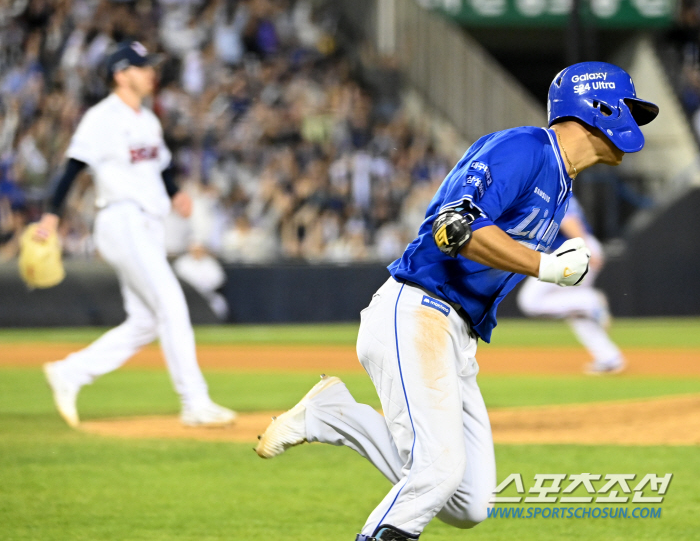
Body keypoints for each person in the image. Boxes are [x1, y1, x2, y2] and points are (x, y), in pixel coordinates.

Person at [254, 62, 658, 540]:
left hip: (456, 333)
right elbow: (455, 227)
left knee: (469, 502)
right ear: (599, 106)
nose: (634, 121)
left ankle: (330, 414)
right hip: (417, 311)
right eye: (629, 109)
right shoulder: (528, 147)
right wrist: (545, 266)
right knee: (438, 470)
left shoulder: (562, 184)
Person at [38, 41, 236, 428]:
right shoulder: (101, 117)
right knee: (172, 303)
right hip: (120, 218)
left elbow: (160, 167)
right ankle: (194, 402)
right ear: (120, 73)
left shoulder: (147, 119)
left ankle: (70, 372)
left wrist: (176, 193)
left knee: (145, 320)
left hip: (147, 224)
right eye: (143, 67)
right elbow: (71, 169)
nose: (151, 73)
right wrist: (50, 217)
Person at [517, 195, 625, 374]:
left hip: (574, 249)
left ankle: (591, 300)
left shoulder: (552, 188)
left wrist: (583, 247)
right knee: (574, 310)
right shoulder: (555, 186)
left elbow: (568, 219)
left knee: (530, 301)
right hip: (576, 248)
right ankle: (609, 359)